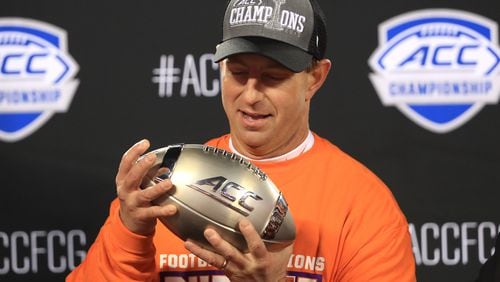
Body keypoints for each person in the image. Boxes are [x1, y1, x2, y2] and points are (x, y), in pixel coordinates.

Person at [67, 0, 416, 281]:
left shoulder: (362, 204)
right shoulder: (164, 182)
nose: (250, 96)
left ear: (315, 78)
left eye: (273, 77)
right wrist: (130, 230)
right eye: (237, 73)